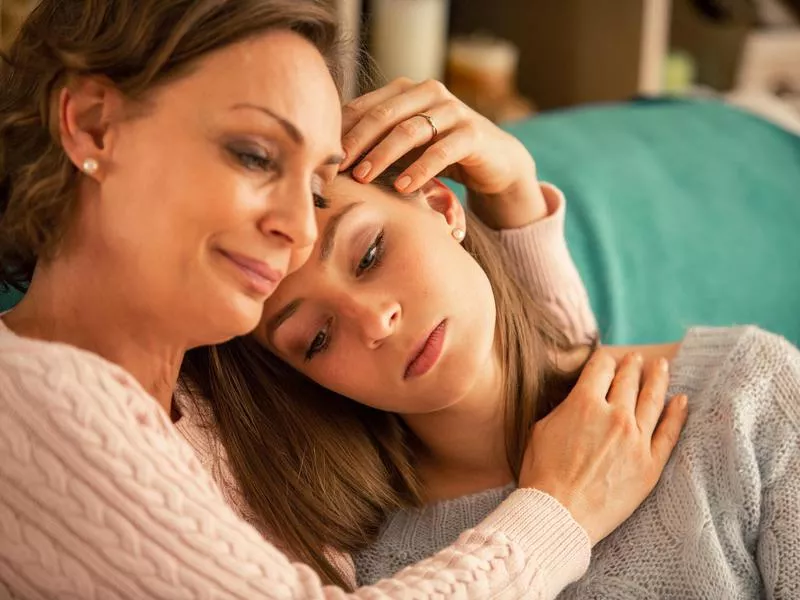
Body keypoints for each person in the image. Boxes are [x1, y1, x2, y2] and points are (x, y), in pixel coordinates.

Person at [0, 1, 687, 598]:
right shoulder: (26, 398)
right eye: (255, 155)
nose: (299, 229)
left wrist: (512, 200)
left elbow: (534, 414)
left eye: (315, 181)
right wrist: (558, 510)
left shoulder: (223, 382)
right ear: (93, 126)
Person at [251, 85, 800, 597]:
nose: (375, 322)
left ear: (443, 206)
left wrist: (516, 194)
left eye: (369, 254)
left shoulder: (747, 393)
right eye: (317, 339)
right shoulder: (374, 569)